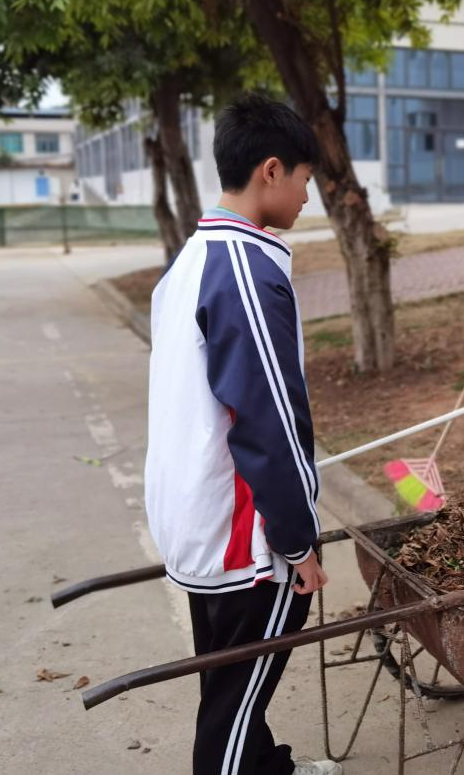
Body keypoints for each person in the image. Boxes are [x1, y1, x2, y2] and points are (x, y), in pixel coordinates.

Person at [145, 94, 341, 775]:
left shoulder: (189, 261)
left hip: (194, 516)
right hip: (242, 538)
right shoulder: (245, 271)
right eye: (305, 182)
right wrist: (297, 540)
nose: (306, 200)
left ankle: (268, 766)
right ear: (270, 171)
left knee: (233, 684)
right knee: (233, 702)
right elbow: (268, 419)